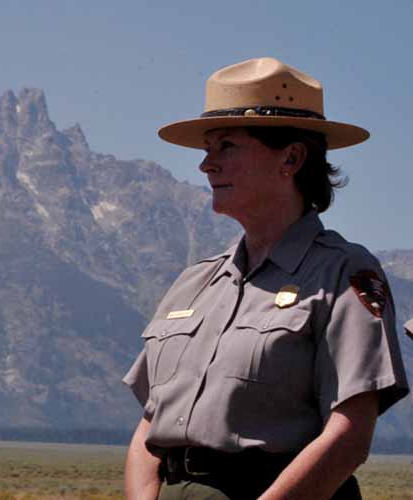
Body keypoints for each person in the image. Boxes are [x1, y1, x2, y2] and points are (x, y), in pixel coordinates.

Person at [123, 57, 410, 500]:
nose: (206, 165)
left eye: (227, 147)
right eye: (207, 149)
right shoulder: (194, 283)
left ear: (291, 158)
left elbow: (349, 435)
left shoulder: (343, 274)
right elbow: (149, 423)